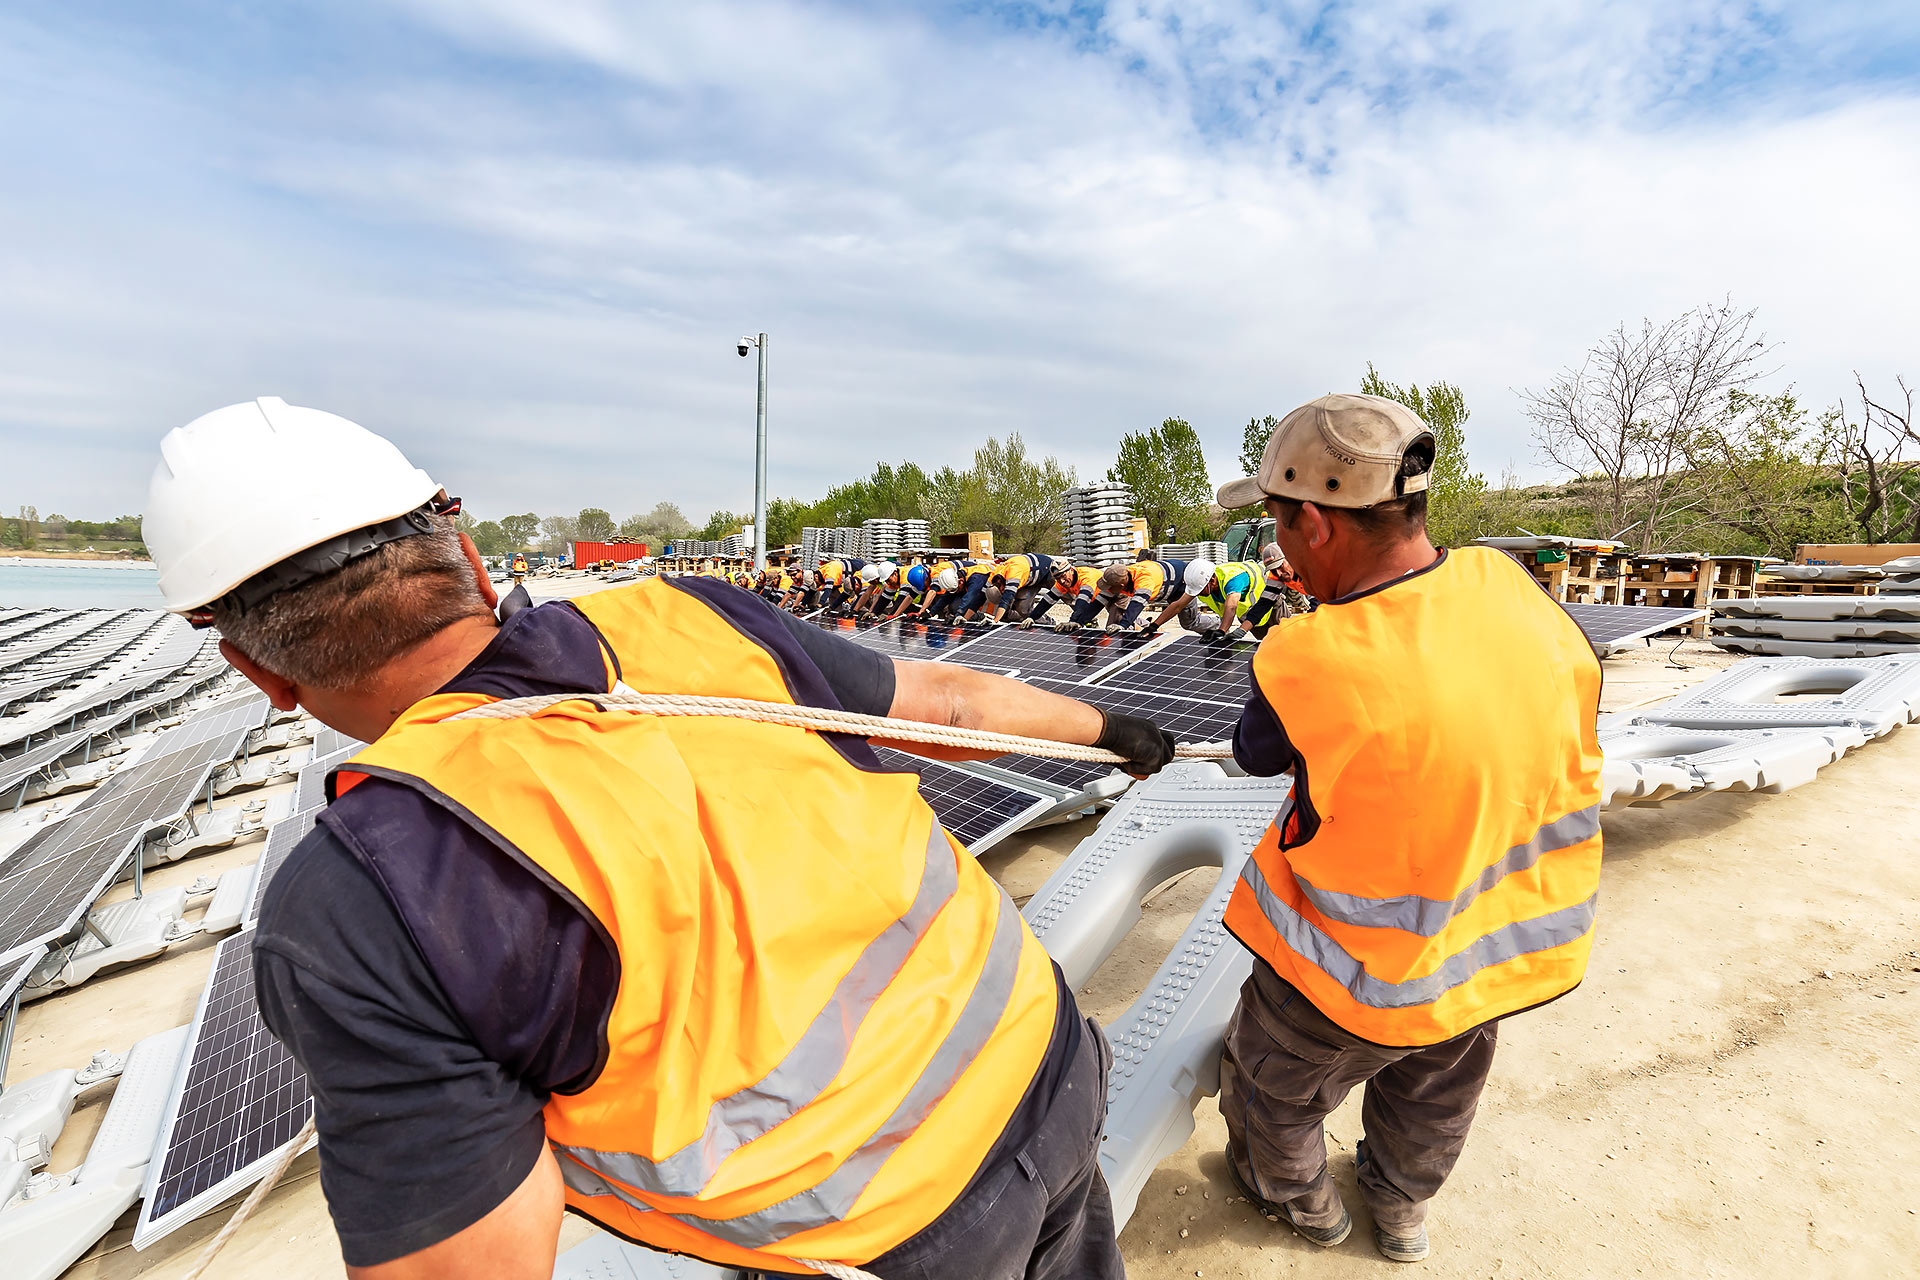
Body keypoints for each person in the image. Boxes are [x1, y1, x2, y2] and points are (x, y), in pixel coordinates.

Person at [144, 398, 1180, 1280]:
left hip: (901, 1227)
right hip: (1048, 1060)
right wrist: (1109, 729)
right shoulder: (689, 617)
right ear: (467, 556)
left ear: (261, 675)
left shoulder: (368, 891)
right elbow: (945, 702)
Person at [1210, 393, 1603, 1263]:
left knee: (1272, 1092)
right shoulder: (1511, 586)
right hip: (1491, 944)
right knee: (1436, 1090)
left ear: (1314, 522)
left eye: (1274, 523)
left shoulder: (1308, 656)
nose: (1273, 546)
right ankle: (1399, 1209)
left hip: (1350, 971)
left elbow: (1254, 753)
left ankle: (1302, 1202)